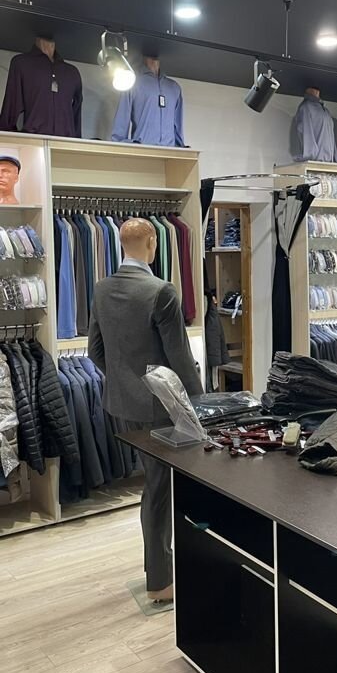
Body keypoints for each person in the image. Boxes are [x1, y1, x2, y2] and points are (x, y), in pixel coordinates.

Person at [88, 217, 202, 602]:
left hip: (120, 404)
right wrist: (201, 404)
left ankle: (162, 569)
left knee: (154, 487)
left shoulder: (102, 288)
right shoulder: (161, 291)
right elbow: (180, 358)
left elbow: (95, 352)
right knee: (159, 490)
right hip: (158, 407)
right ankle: (161, 582)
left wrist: (125, 382)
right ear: (152, 242)